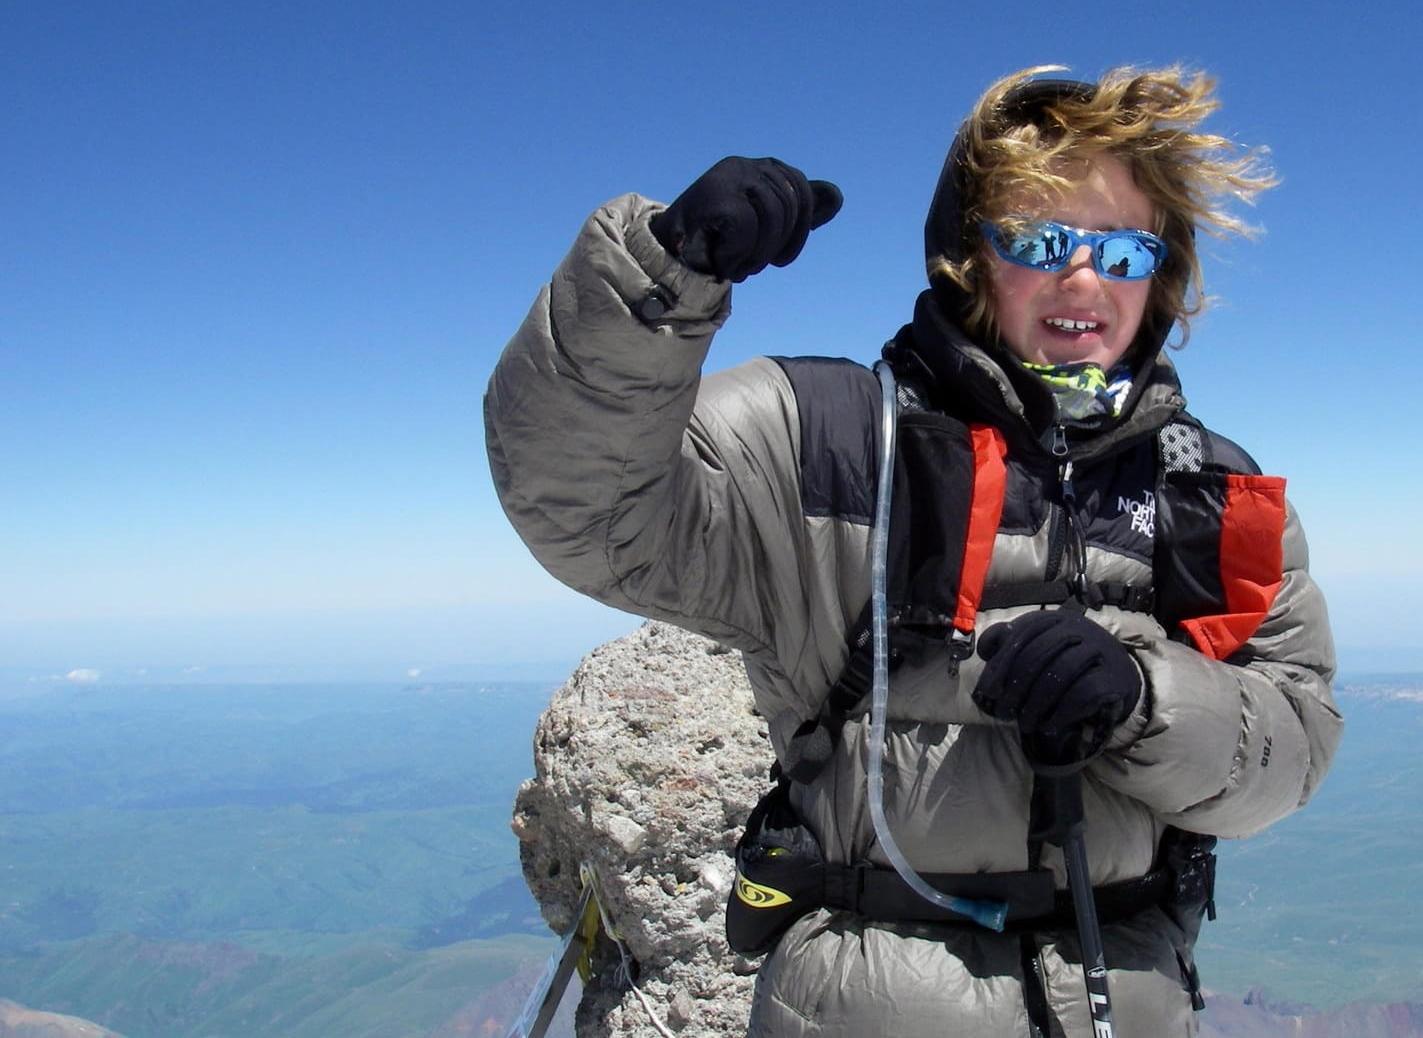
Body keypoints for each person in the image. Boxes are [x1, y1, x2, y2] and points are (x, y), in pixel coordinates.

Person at [485, 64, 1342, 1038]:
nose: (1084, 277)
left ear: (1165, 271)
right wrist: (661, 274)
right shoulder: (829, 437)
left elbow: (1293, 746)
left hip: (1130, 999)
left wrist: (1147, 704)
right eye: (1040, 239)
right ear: (969, 258)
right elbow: (584, 509)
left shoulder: (1210, 491)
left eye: (1124, 249)